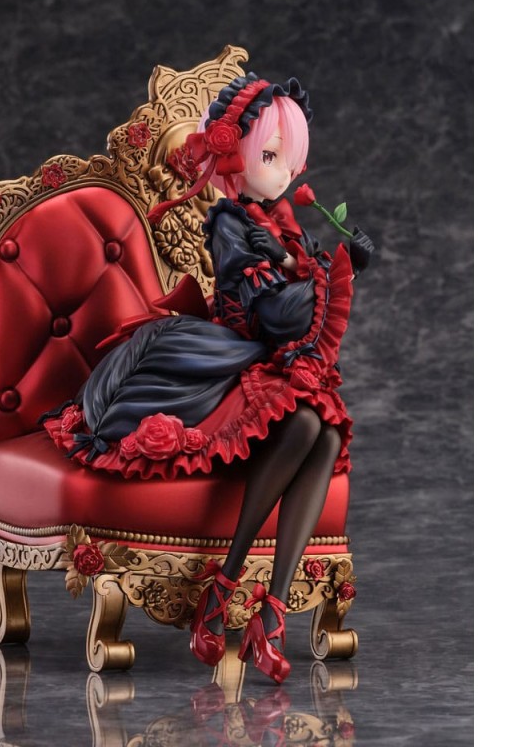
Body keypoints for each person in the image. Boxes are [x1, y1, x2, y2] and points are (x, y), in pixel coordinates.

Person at [41, 73, 375, 683]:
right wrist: (333, 275)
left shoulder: (284, 222)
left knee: (325, 431)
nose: (284, 171)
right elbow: (269, 313)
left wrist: (327, 268)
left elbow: (295, 304)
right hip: (229, 355)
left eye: (290, 159)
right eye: (269, 157)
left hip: (267, 361)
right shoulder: (229, 223)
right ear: (234, 159)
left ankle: (268, 613)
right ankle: (226, 586)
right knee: (307, 425)